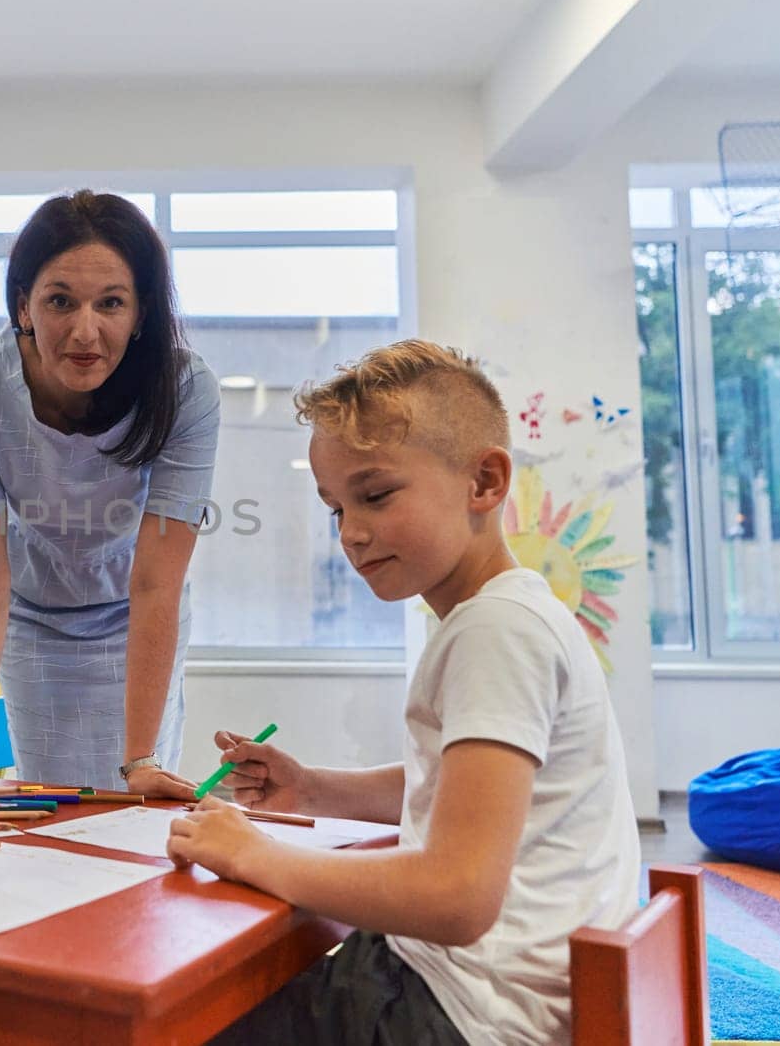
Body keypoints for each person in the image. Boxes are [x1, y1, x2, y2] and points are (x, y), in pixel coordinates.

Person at [167, 340, 640, 1046]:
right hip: (473, 996)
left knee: (184, 1014)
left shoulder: (496, 631)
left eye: (376, 495)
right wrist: (316, 787)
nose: (352, 535)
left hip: (458, 1014)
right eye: (335, 508)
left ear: (484, 482)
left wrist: (252, 853)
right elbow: (461, 792)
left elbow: (457, 896)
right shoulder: (515, 613)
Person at [0, 190, 221, 796]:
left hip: (135, 614)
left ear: (142, 313)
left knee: (132, 798)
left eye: (111, 303)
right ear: (24, 306)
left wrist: (141, 758)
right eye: (59, 301)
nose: (84, 331)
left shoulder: (186, 388)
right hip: (31, 614)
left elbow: (156, 582)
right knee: (49, 799)